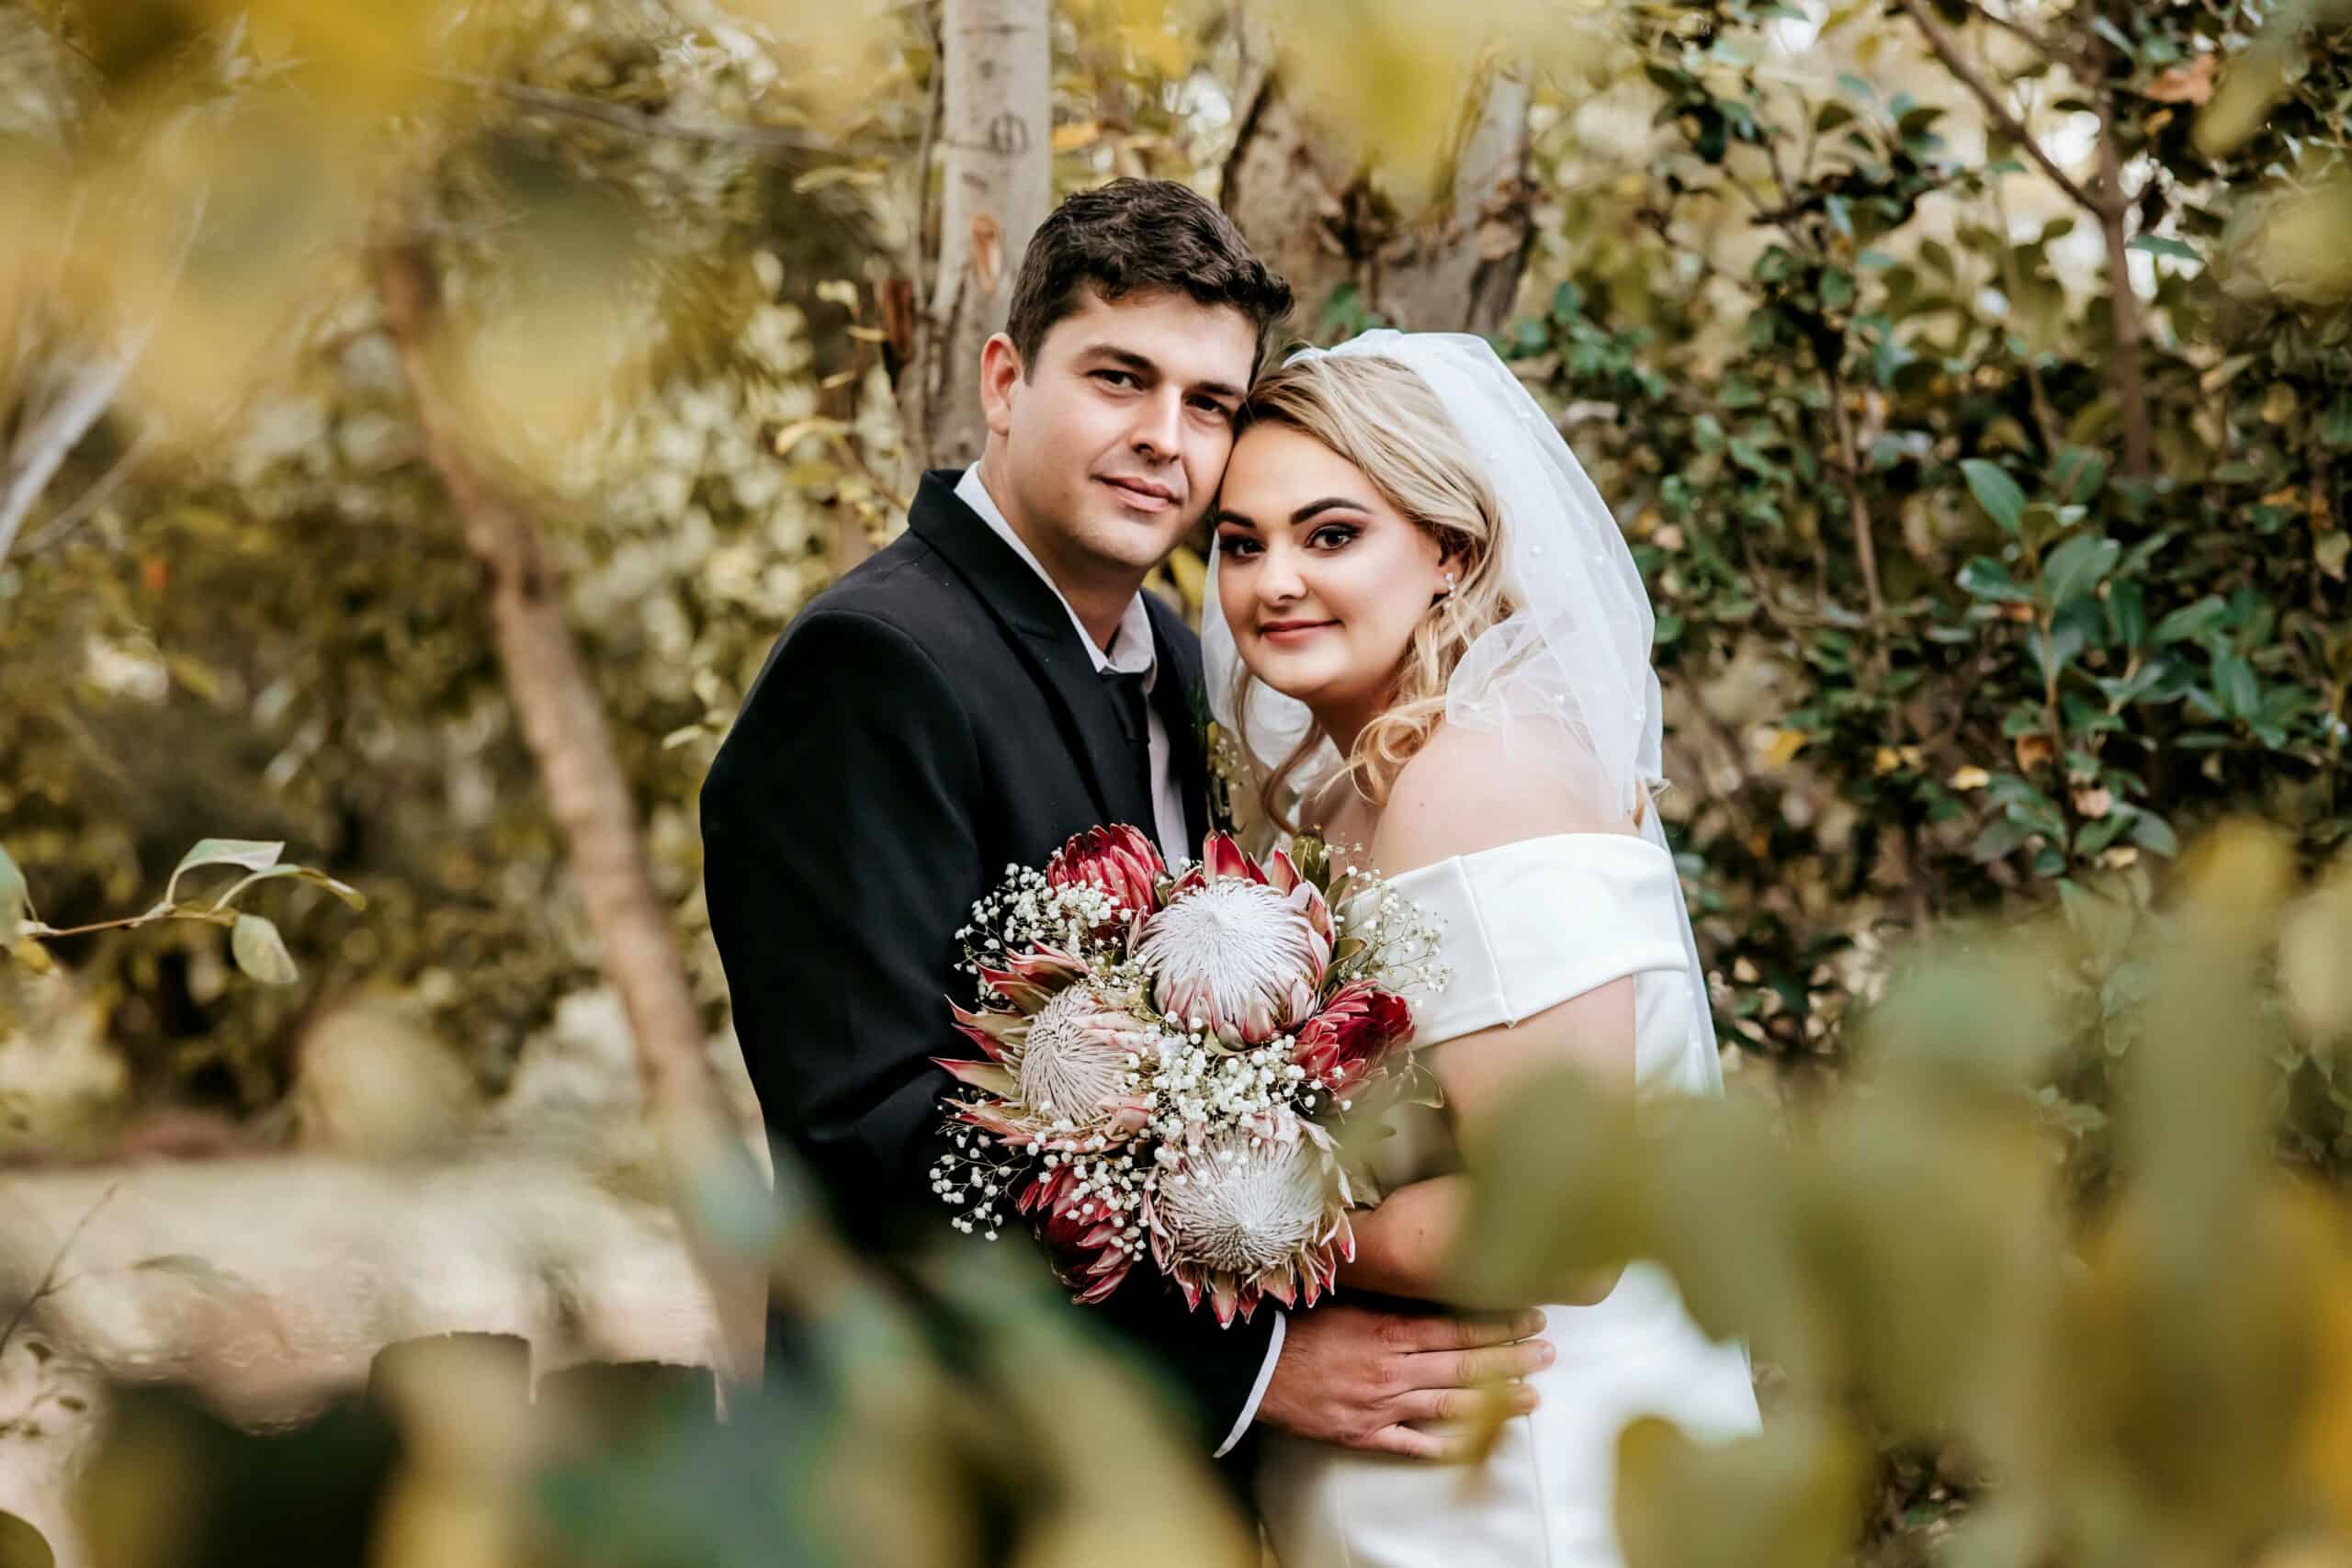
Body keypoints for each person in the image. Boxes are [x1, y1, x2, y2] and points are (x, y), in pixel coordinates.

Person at [700, 182, 1552, 1480]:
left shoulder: (1181, 659)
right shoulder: (872, 666)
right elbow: (875, 1145)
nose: (1164, 438)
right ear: (1004, 381)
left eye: (1209, 403)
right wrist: (1251, 1370)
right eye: (1119, 378)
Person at [1204, 331, 1763, 1564]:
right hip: (1417, 1483)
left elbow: (1567, 1225)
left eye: (1330, 534)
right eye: (1241, 543)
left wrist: (1234, 1222)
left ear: (1449, 552)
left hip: (1531, 1485)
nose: (1274, 581)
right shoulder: (1345, 796)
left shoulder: (1477, 782)